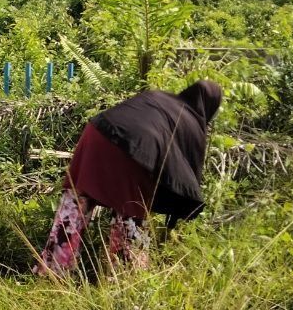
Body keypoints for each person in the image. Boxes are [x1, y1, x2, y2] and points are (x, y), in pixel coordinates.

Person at [36, 79, 223, 275]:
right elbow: (186, 179)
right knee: (131, 213)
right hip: (135, 151)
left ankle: (52, 270)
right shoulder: (193, 122)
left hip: (97, 132)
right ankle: (124, 277)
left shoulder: (159, 96)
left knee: (76, 202)